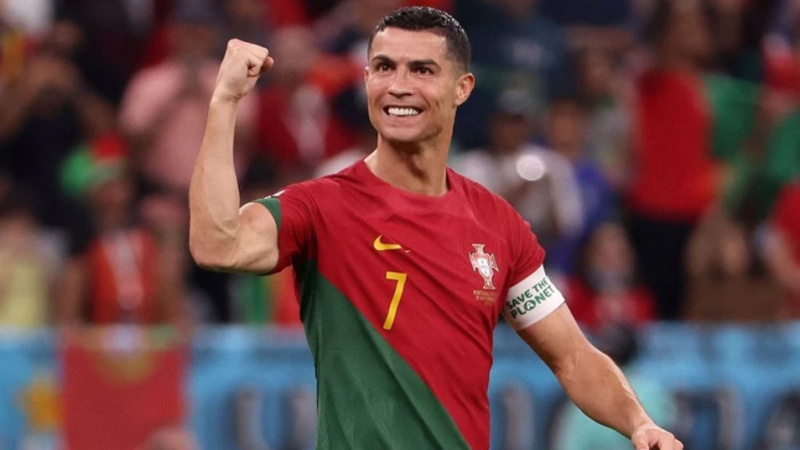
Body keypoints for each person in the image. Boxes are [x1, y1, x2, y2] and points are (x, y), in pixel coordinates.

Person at [189, 6, 682, 449]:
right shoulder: (320, 207)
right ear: (366, 79)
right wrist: (224, 101)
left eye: (421, 70)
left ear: (461, 88)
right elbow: (217, 245)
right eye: (384, 67)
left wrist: (639, 423)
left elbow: (573, 357)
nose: (398, 85)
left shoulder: (498, 225)